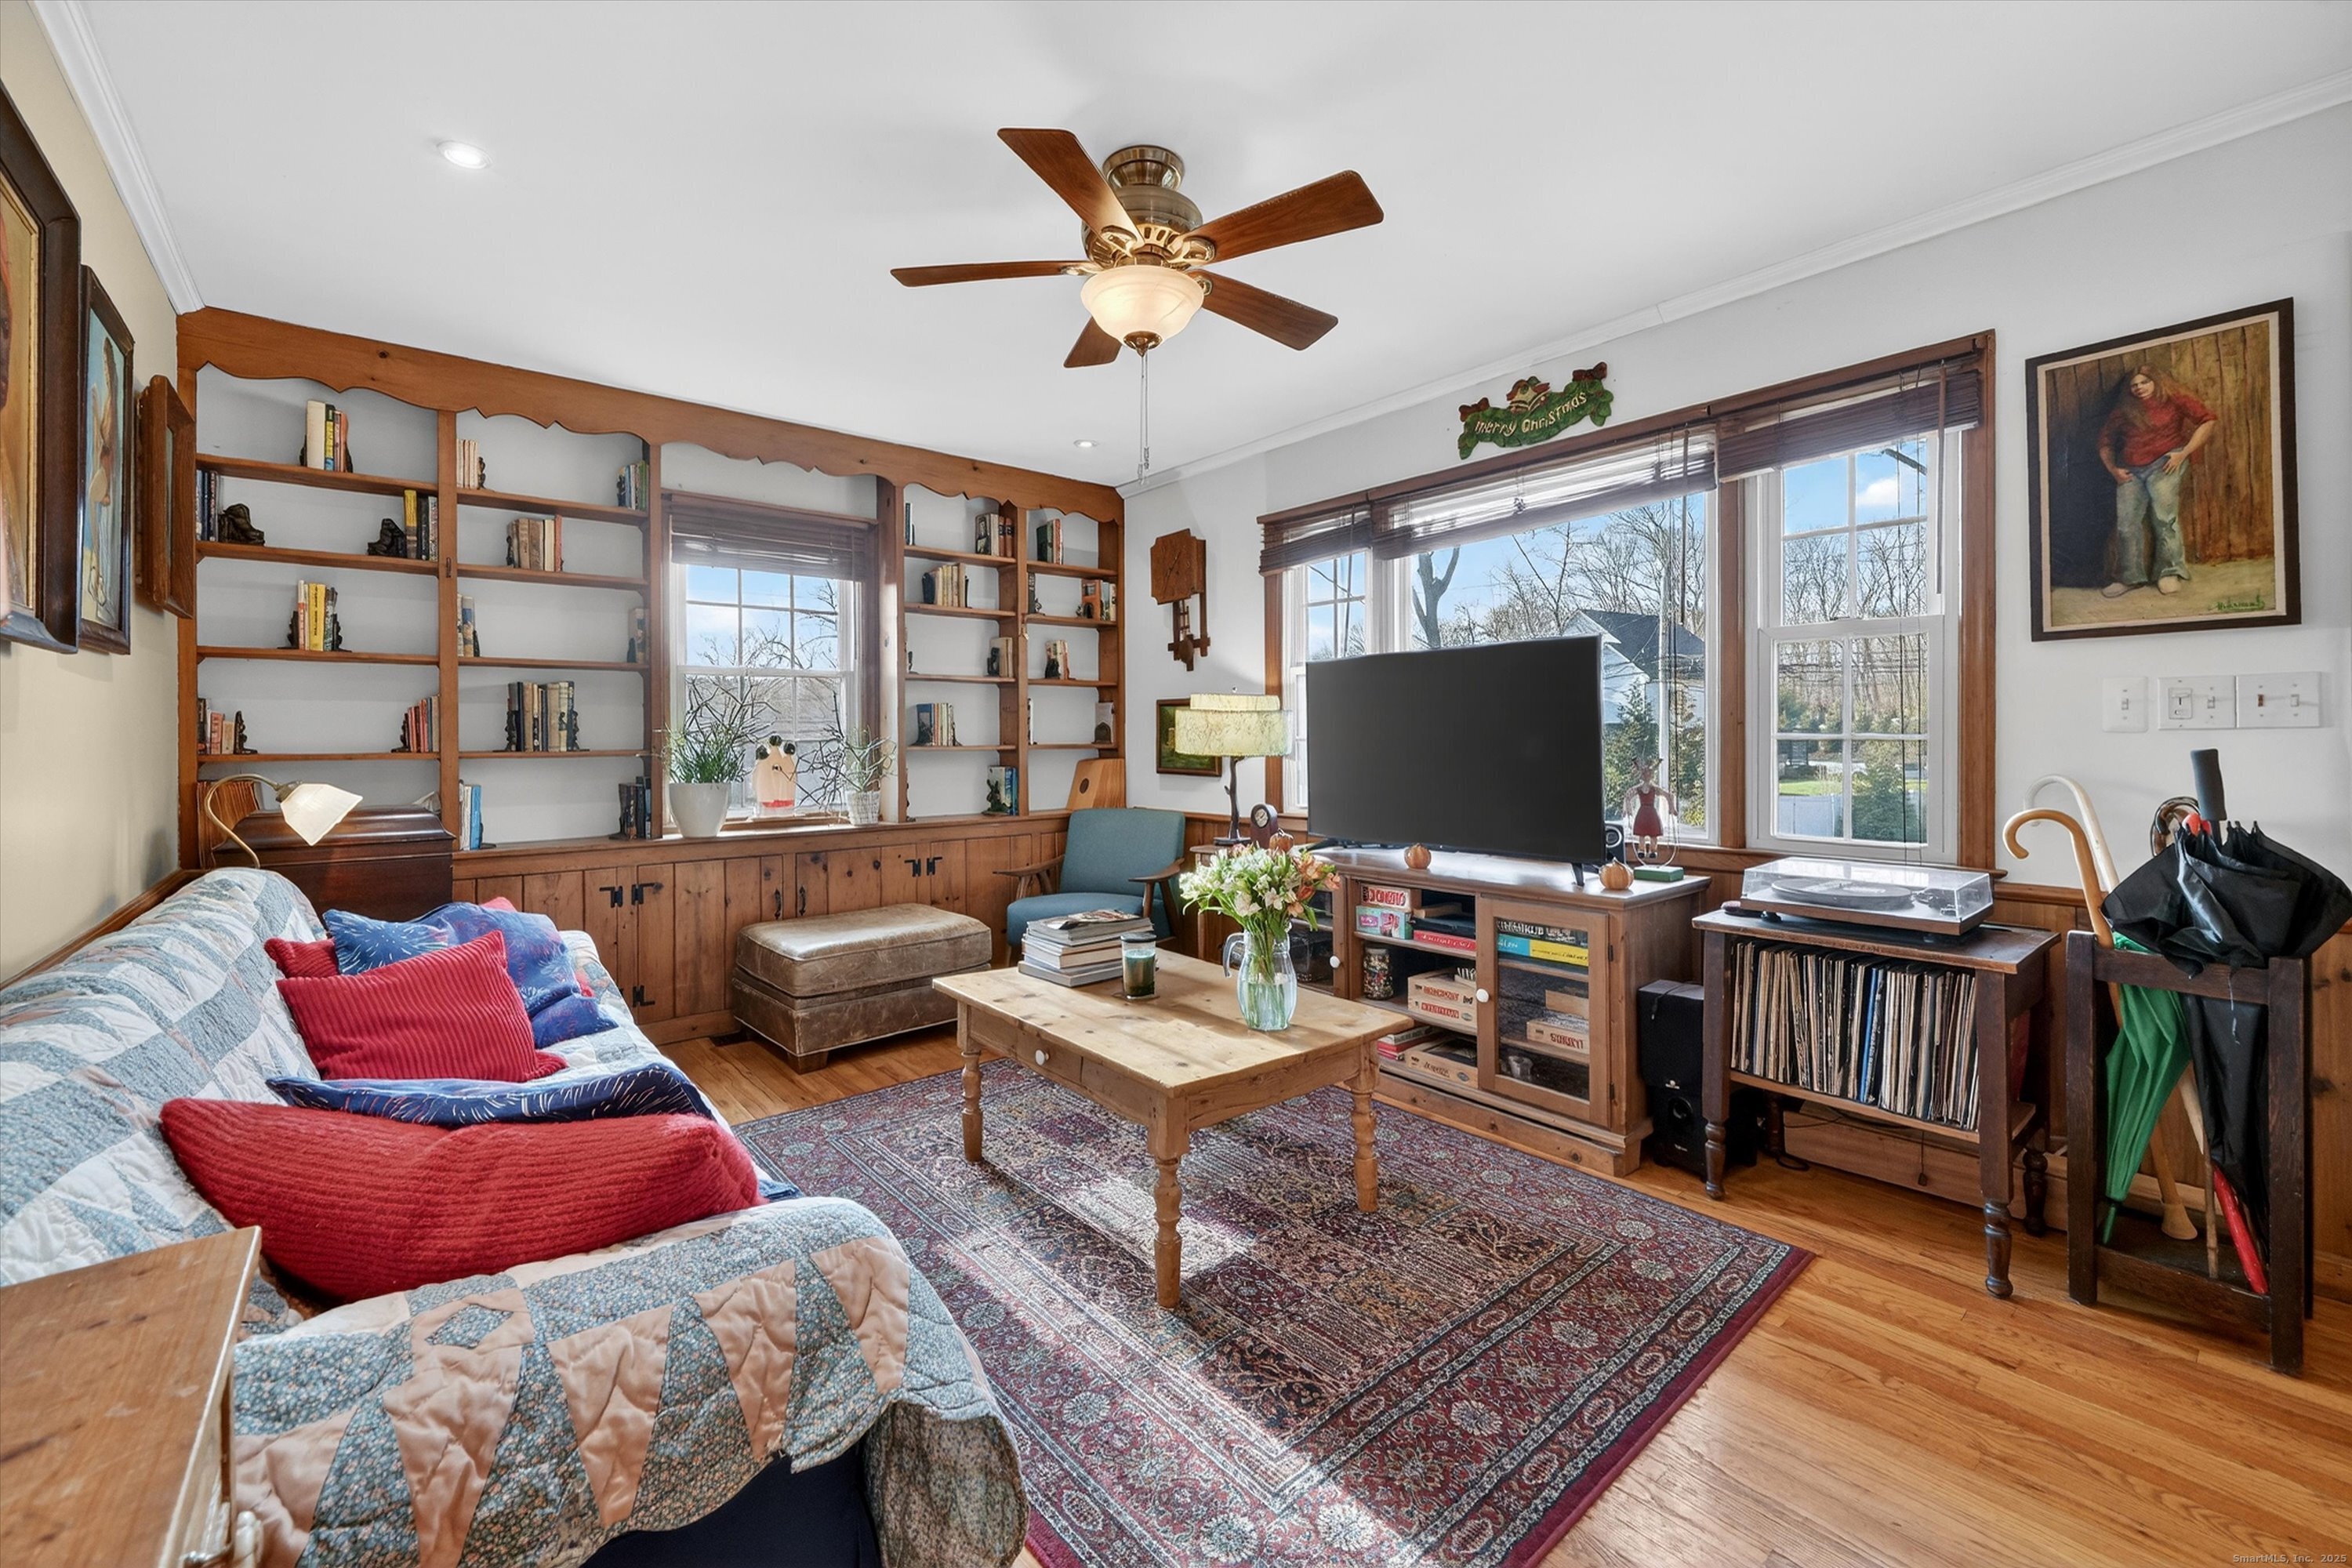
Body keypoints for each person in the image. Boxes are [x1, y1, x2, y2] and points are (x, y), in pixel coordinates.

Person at [2096, 365, 2216, 598]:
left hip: (2165, 464)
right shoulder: (2124, 410)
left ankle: (2169, 572)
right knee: (2127, 524)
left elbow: (2208, 421)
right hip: (2130, 470)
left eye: (2145, 382)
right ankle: (2130, 578)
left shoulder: (2174, 400)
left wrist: (2183, 453)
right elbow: (2104, 442)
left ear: (2156, 382)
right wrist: (2113, 470)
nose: (2140, 388)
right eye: (2135, 385)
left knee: (2164, 519)